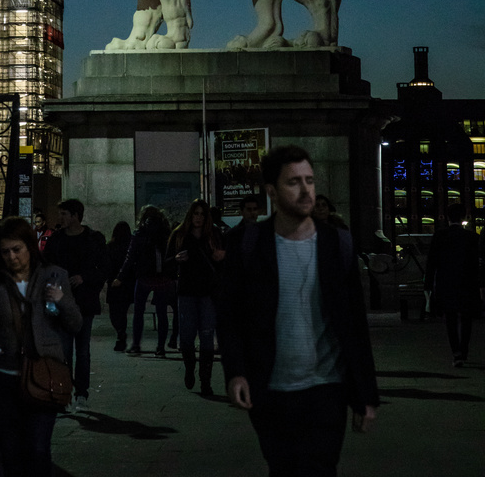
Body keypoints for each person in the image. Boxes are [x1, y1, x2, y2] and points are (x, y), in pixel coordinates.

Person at [219, 144, 378, 477]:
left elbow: (355, 325)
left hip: (327, 389)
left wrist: (365, 394)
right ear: (272, 192)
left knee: (321, 468)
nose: (306, 190)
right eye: (294, 182)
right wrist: (236, 372)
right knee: (283, 468)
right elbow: (231, 316)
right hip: (272, 389)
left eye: (310, 180)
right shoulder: (249, 245)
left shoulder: (338, 244)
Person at [0, 216, 82, 477]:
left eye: (16, 249)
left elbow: (75, 324)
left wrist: (62, 300)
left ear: (29, 247)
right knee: (10, 451)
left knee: (38, 449)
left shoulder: (53, 276)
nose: (12, 257)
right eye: (5, 251)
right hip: (4, 378)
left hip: (43, 375)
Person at [44, 198, 107, 410]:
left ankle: (81, 392)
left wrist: (84, 278)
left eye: (64, 214)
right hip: (62, 301)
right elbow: (47, 267)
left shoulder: (93, 239)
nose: (60, 218)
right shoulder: (56, 240)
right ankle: (66, 392)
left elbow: (102, 269)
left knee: (82, 350)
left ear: (75, 216)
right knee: (63, 350)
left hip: (84, 301)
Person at [167, 199, 224, 397]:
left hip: (208, 292)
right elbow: (166, 264)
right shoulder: (180, 234)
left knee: (207, 337)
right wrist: (175, 260)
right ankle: (190, 368)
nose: (198, 217)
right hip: (187, 292)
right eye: (195, 213)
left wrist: (220, 256)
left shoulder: (214, 235)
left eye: (202, 214)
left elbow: (223, 263)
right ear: (190, 214)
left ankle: (205, 380)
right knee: (187, 337)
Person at [424, 201, 480, 366]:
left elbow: (431, 263)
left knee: (450, 319)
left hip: (446, 283)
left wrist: (428, 285)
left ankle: (456, 352)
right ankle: (464, 351)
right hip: (466, 284)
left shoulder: (440, 236)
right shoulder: (471, 237)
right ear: (464, 217)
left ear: (447, 217)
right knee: (466, 319)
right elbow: (475, 264)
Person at [112, 205, 172, 356]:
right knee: (162, 313)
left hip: (144, 277)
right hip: (162, 277)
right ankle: (160, 347)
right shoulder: (165, 232)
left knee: (138, 312)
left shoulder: (139, 234)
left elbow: (130, 258)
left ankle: (136, 345)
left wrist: (120, 276)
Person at [105, 221, 134, 351]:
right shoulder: (130, 246)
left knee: (114, 312)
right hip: (126, 283)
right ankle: (121, 334)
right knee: (122, 311)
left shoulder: (111, 246)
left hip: (113, 283)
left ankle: (120, 334)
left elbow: (107, 264)